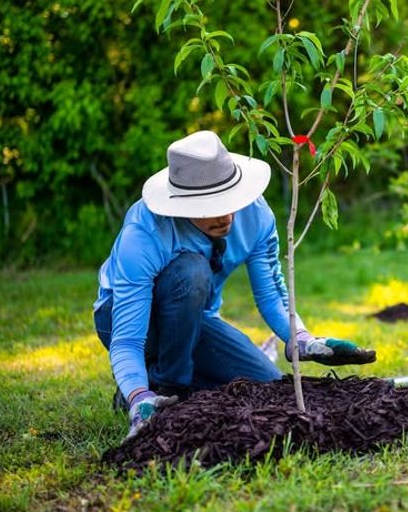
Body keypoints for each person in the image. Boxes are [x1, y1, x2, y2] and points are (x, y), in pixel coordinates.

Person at [93, 130, 375, 440]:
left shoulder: (255, 215)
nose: (226, 215)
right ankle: (158, 387)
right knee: (191, 270)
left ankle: (164, 380)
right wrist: (137, 396)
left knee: (265, 383)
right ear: (181, 205)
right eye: (209, 205)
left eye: (230, 200)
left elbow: (271, 294)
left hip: (195, 319)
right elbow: (127, 339)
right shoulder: (145, 233)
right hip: (126, 320)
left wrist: (302, 340)